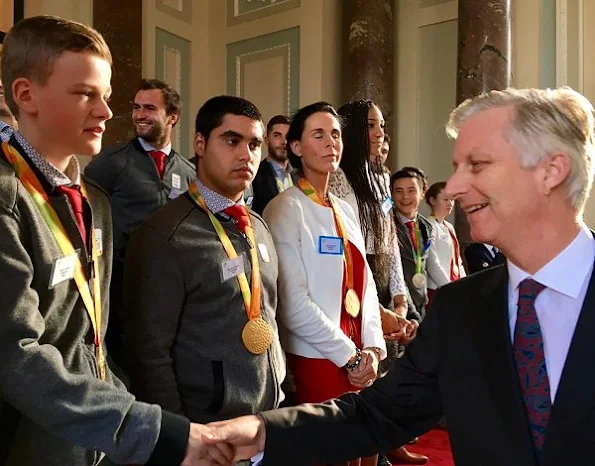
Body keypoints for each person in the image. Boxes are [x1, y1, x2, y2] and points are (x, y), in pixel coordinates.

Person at [205, 86, 595, 466]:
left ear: (551, 171)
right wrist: (262, 432)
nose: (455, 187)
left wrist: (371, 342)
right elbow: (378, 414)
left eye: (477, 164)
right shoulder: (460, 309)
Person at [0, 15, 230, 466]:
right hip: (33, 443)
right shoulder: (8, 199)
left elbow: (90, 341)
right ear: (26, 95)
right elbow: (15, 354)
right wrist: (151, 430)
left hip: (97, 435)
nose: (107, 112)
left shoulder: (96, 202)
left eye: (105, 96)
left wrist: (134, 414)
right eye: (86, 94)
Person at [124, 95, 286, 427]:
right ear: (200, 143)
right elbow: (149, 355)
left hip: (267, 420)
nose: (246, 154)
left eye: (255, 144)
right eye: (232, 140)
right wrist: (180, 438)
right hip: (205, 430)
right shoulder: (164, 235)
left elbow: (269, 314)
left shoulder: (259, 226)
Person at [262, 102, 386, 466]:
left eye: (336, 134)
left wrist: (374, 349)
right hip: (319, 359)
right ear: (296, 147)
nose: (331, 142)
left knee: (367, 453)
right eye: (319, 134)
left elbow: (366, 288)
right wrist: (348, 355)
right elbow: (292, 304)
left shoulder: (345, 209)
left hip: (361, 359)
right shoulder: (286, 208)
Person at [329, 100, 426, 465]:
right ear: (354, 130)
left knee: (387, 380)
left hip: (383, 283)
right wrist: (379, 308)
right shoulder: (338, 178)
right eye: (372, 125)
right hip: (355, 288)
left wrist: (400, 297)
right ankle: (376, 450)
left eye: (382, 125)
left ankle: (388, 443)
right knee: (362, 386)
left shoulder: (381, 177)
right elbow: (350, 253)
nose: (381, 133)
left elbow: (389, 243)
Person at [85, 78, 195, 371]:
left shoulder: (189, 172)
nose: (139, 115)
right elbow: (86, 218)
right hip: (121, 286)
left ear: (172, 117)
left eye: (149, 108)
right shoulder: (109, 162)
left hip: (172, 286)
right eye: (136, 107)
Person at [391, 167, 450, 319]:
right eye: (399, 191)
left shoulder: (426, 226)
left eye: (411, 191)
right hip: (397, 308)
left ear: (422, 193)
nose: (405, 197)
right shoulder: (387, 226)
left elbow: (427, 265)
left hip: (422, 305)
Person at [425, 181, 466, 305]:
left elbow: (457, 260)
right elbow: (432, 264)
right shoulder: (429, 225)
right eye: (445, 199)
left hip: (454, 286)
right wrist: (449, 287)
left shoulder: (449, 226)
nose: (450, 204)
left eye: (452, 200)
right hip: (438, 288)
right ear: (432, 200)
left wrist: (465, 284)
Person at [251, 114, 298, 215]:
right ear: (267, 141)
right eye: (277, 136)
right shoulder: (255, 175)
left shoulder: (301, 175)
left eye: (288, 136)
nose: (284, 142)